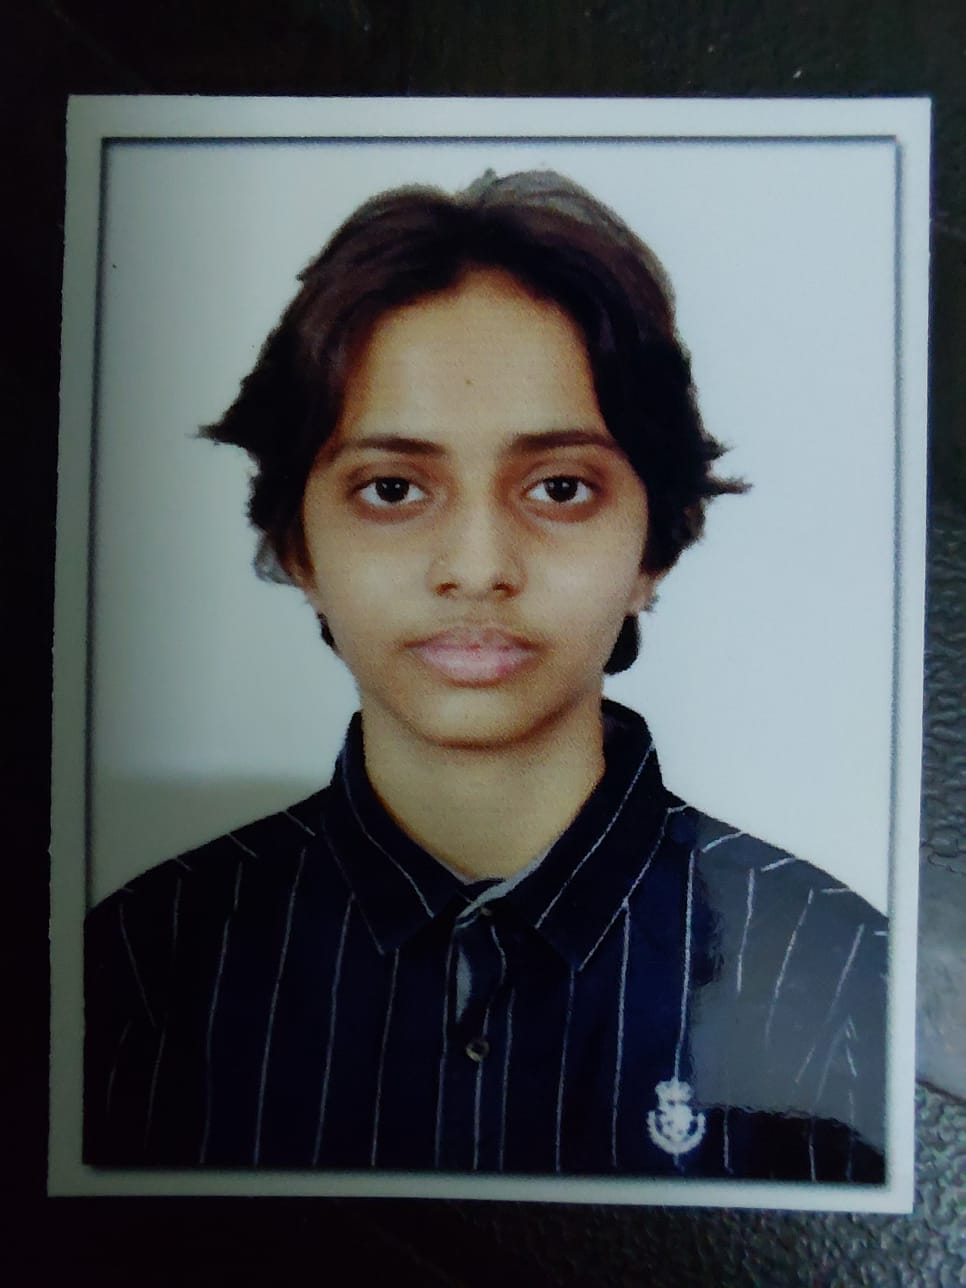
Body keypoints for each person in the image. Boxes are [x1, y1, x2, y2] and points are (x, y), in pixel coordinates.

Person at [84, 170, 887, 1181]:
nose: (476, 566)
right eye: (392, 488)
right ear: (298, 546)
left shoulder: (842, 972)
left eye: (560, 487)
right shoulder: (142, 960)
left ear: (655, 545)